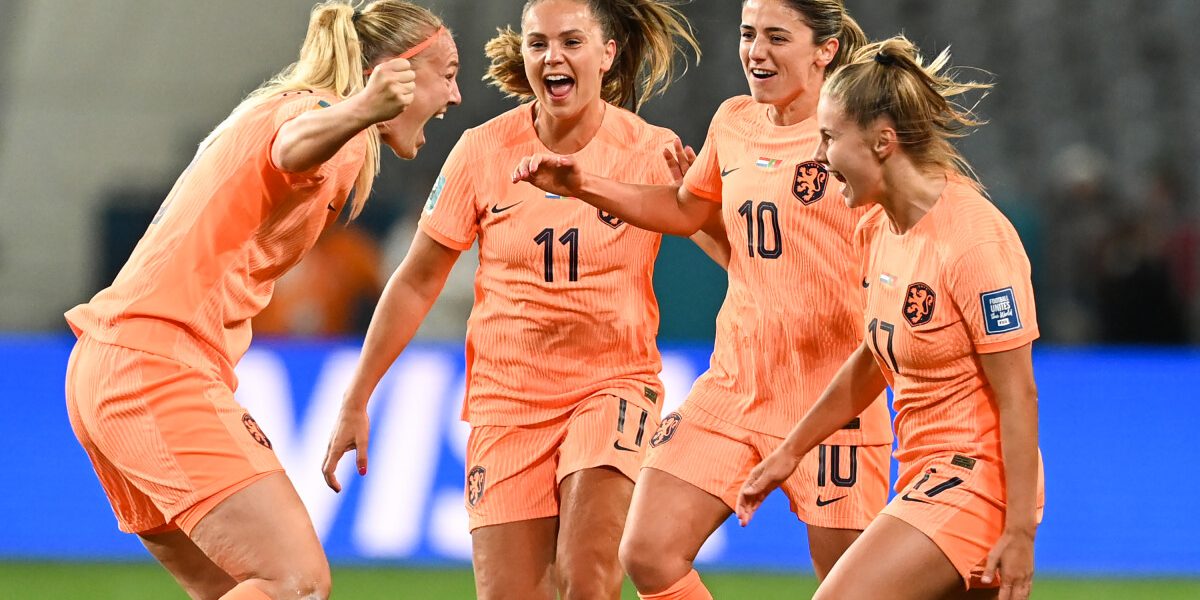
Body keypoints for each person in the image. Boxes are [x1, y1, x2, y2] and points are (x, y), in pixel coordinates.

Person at [63, 2, 461, 599]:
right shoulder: (323, 117)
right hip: (156, 367)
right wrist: (360, 111)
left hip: (112, 367)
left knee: (241, 587)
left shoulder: (288, 110)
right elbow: (291, 147)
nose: (455, 95)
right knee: (295, 581)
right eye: (448, 72)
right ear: (395, 73)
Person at [320, 1, 699, 598]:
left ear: (608, 53)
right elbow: (418, 279)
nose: (552, 57)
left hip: (612, 386)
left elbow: (730, 249)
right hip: (507, 404)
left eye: (572, 41)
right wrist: (356, 396)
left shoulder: (653, 152)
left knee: (587, 579)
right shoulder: (481, 151)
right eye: (538, 43)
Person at [514, 1, 889, 597]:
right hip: (734, 386)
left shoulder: (855, 135)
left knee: (853, 588)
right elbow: (687, 211)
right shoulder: (734, 120)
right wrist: (584, 185)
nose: (755, 52)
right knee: (648, 552)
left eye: (776, 37)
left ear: (826, 49)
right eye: (747, 35)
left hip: (832, 398)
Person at [736, 36, 1044, 600]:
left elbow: (1019, 394)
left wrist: (1021, 529)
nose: (820, 158)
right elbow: (874, 358)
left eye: (829, 138)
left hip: (974, 481)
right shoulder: (877, 227)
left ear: (882, 142)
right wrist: (789, 451)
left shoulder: (975, 243)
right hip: (922, 474)